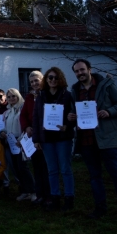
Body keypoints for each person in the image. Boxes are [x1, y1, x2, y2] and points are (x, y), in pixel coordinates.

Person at [68, 59, 117, 219]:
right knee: (94, 177)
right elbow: (74, 111)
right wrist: (71, 116)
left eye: (82, 70)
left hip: (107, 139)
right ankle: (100, 208)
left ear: (89, 69)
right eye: (77, 71)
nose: (80, 73)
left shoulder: (106, 85)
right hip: (87, 140)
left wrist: (109, 112)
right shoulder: (75, 91)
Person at [33, 67, 76, 211]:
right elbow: (36, 118)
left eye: (56, 78)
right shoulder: (40, 96)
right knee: (52, 170)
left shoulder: (67, 95)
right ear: (46, 79)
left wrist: (67, 126)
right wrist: (36, 139)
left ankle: (69, 198)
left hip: (63, 137)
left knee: (65, 169)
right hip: (46, 139)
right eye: (50, 77)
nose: (52, 80)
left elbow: (74, 115)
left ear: (61, 79)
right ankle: (55, 198)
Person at [0, 88, 36, 201]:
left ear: (18, 96)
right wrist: (3, 132)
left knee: (23, 167)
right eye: (9, 97)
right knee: (16, 168)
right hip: (11, 142)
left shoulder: (23, 108)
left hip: (22, 140)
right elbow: (4, 127)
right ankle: (25, 191)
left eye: (13, 96)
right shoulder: (7, 112)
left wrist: (22, 139)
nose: (11, 99)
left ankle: (33, 191)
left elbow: (27, 124)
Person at [20, 70, 50, 205]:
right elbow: (23, 115)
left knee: (48, 167)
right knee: (37, 167)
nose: (34, 83)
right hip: (34, 136)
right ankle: (40, 194)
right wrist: (26, 127)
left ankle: (50, 195)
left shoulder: (48, 94)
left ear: (42, 80)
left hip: (47, 135)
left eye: (36, 80)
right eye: (31, 82)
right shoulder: (29, 97)